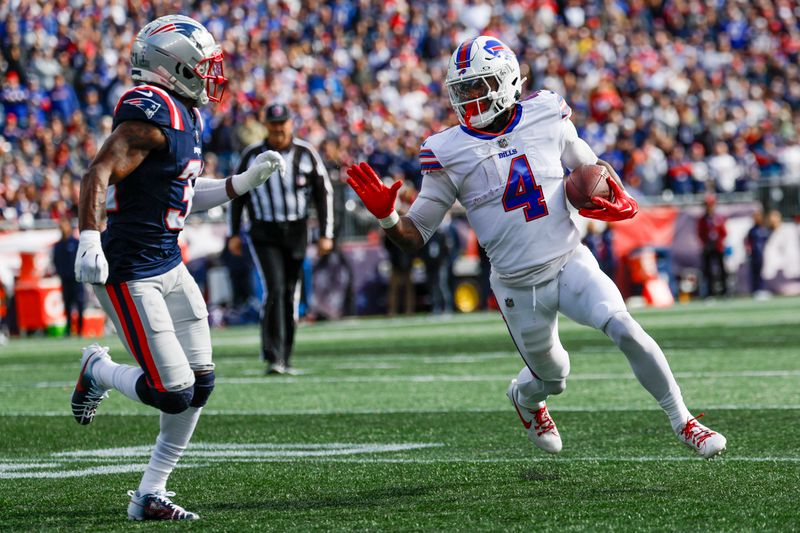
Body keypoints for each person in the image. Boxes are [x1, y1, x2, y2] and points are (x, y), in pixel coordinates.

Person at [346, 36, 726, 459]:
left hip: (569, 260)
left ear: (506, 81)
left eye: (478, 86)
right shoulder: (446, 149)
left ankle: (683, 420)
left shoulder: (546, 112)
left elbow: (590, 167)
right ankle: (526, 399)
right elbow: (414, 236)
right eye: (463, 90)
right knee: (554, 376)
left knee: (625, 328)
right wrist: (388, 217)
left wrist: (607, 188)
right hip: (517, 285)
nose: (469, 98)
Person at [70, 15, 285, 520]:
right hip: (129, 270)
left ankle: (150, 493)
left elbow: (182, 197)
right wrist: (87, 237)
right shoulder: (150, 111)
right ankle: (97, 370)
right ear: (172, 67)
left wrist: (240, 184)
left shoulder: (187, 115)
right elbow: (98, 171)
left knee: (201, 383)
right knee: (173, 391)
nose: (211, 74)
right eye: (202, 65)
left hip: (169, 260)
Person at [228, 103, 334, 375]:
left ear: (291, 123)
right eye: (273, 123)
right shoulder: (252, 154)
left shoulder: (306, 153)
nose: (278, 128)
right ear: (266, 125)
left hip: (297, 230)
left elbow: (324, 193)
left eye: (282, 122)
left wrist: (326, 233)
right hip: (264, 231)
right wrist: (234, 233)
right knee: (274, 289)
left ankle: (285, 355)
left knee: (289, 293)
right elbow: (237, 194)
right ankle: (273, 355)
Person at [52, 217, 85, 336]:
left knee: (80, 304)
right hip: (65, 280)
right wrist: (61, 273)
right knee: (67, 305)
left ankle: (80, 330)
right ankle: (69, 330)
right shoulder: (58, 246)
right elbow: (55, 262)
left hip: (77, 280)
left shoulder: (76, 243)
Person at [697, 194, 728, 298]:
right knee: (708, 270)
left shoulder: (718, 218)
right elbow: (700, 232)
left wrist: (720, 241)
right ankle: (710, 293)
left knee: (722, 269)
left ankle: (724, 292)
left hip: (718, 246)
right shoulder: (702, 219)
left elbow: (724, 232)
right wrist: (705, 243)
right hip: (708, 246)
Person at [744, 209, 770, 297]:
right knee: (755, 272)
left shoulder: (764, 229)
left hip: (762, 254)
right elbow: (747, 242)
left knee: (761, 272)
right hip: (754, 254)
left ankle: (761, 289)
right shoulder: (752, 230)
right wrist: (748, 250)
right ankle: (755, 290)